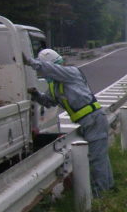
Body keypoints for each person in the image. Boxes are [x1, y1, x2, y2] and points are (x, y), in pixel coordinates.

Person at [26, 48, 115, 197]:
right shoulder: (54, 86)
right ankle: (107, 187)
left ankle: (101, 194)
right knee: (99, 156)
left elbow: (49, 68)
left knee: (96, 158)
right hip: (88, 122)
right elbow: (48, 102)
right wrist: (36, 95)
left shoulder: (71, 73)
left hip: (94, 119)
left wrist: (31, 62)